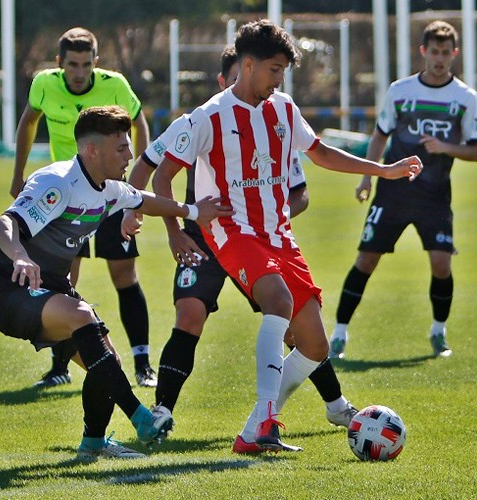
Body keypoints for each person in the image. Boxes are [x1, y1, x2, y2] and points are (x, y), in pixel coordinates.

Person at [151, 20, 422, 453]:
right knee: (277, 301)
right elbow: (162, 176)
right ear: (249, 63)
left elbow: (320, 153)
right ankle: (263, 424)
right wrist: (174, 229)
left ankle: (255, 427)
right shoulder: (208, 116)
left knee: (314, 344)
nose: (279, 81)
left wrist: (382, 170)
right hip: (230, 230)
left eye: (283, 73)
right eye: (274, 70)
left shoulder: (283, 108)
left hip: (278, 234)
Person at [124, 46, 359, 452]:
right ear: (227, 79)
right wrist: (153, 219)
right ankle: (163, 408)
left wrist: (269, 217)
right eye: (265, 73)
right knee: (191, 313)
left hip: (258, 238)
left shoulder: (275, 119)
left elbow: (298, 191)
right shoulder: (199, 120)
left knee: (293, 323)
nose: (269, 85)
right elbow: (146, 167)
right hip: (202, 234)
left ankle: (332, 403)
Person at [0, 105, 231, 460]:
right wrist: (20, 256)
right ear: (92, 150)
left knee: (107, 360)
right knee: (84, 316)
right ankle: (141, 418)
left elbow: (145, 200)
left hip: (52, 289)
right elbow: (4, 225)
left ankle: (93, 443)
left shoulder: (108, 189)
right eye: (121, 148)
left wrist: (192, 211)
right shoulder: (56, 181)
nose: (130, 155)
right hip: (12, 289)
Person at [10, 27, 157, 389]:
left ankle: (142, 363)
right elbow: (29, 120)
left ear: (96, 62)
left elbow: (139, 123)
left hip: (106, 192)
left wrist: (133, 191)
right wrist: (19, 174)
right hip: (67, 200)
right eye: (72, 65)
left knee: (124, 275)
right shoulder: (44, 83)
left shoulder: (116, 85)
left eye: (86, 64)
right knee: (63, 281)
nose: (79, 72)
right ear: (59, 63)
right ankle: (59, 367)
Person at [329, 20, 477, 360]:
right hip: (393, 191)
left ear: (454, 54)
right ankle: (339, 333)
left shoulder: (465, 98)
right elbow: (380, 134)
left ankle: (438, 332)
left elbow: (475, 150)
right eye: (434, 52)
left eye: (446, 53)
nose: (440, 59)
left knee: (441, 265)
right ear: (423, 52)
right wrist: (367, 176)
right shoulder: (400, 91)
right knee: (366, 259)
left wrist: (446, 147)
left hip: (435, 196)